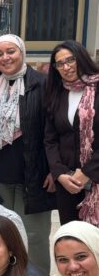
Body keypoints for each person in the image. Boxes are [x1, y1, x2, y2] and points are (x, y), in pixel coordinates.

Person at [0, 34, 56, 274]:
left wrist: (53, 169)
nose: (5, 57)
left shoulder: (42, 84)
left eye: (11, 51)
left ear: (22, 53)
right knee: (2, 234)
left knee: (34, 236)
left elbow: (53, 128)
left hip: (35, 176)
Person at [43, 40, 99, 225]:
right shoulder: (57, 93)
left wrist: (87, 172)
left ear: (81, 58)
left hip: (95, 178)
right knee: (71, 235)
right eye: (60, 64)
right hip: (67, 183)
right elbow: (50, 139)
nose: (66, 67)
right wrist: (59, 173)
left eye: (70, 60)